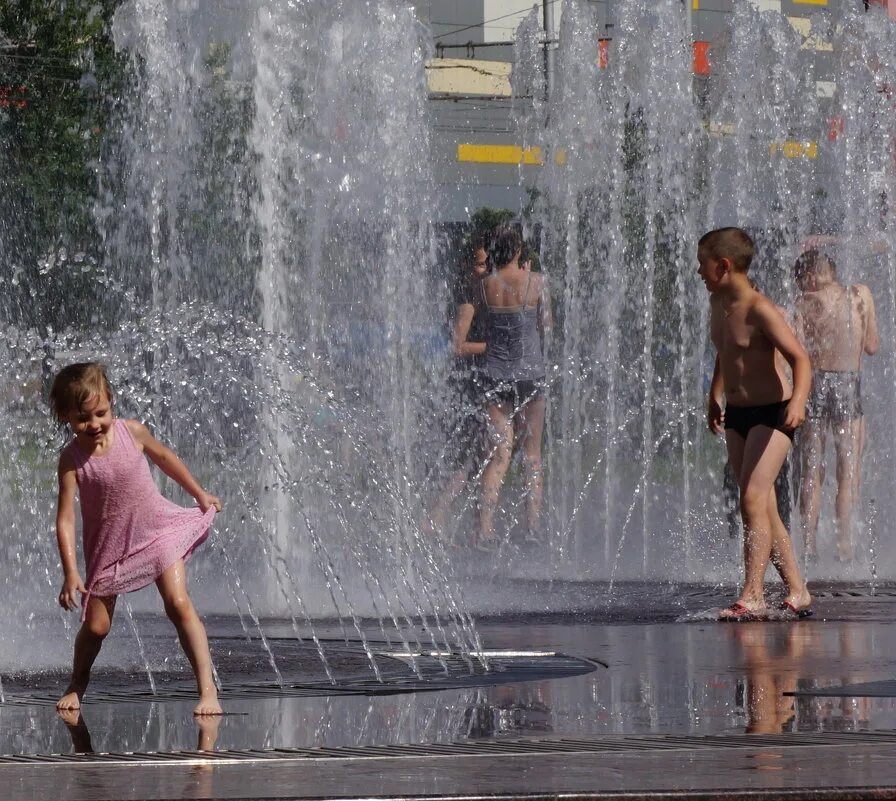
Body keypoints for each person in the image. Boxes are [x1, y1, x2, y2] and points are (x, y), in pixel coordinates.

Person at [50, 362, 223, 715]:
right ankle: (77, 681)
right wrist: (70, 572)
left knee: (177, 602)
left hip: (158, 531)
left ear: (111, 402)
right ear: (66, 416)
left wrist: (200, 494)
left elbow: (165, 458)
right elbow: (66, 518)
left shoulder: (132, 432)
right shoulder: (71, 459)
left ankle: (207, 690)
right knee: (97, 627)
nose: (95, 424)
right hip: (110, 548)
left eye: (101, 413)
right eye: (83, 419)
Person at [699, 227, 812, 620]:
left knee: (750, 499)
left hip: (775, 413)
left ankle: (753, 594)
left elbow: (800, 359)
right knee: (763, 505)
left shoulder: (760, 309)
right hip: (739, 414)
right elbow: (725, 351)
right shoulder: (718, 304)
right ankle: (798, 590)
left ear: (724, 266)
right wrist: (714, 395)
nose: (699, 272)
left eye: (703, 265)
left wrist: (798, 400)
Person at [456, 223, 550, 549]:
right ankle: (534, 526)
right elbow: (546, 325)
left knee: (499, 456)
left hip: (495, 376)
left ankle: (485, 530)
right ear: (519, 250)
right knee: (532, 454)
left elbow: (469, 317)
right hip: (531, 376)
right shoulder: (537, 283)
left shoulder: (485, 287)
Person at [794, 249, 879, 562]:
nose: (804, 286)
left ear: (811, 275)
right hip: (847, 384)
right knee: (848, 471)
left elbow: (797, 353)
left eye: (803, 279)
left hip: (814, 383)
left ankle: (808, 549)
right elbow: (872, 346)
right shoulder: (862, 295)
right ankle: (845, 549)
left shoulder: (803, 304)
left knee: (811, 473)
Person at [425, 236, 490, 537]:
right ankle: (435, 519)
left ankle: (466, 526)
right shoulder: (468, 299)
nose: (485, 270)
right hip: (468, 387)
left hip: (477, 383)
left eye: (488, 264)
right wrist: (492, 347)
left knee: (480, 459)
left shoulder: (481, 295)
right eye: (480, 264)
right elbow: (458, 346)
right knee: (468, 460)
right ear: (467, 267)